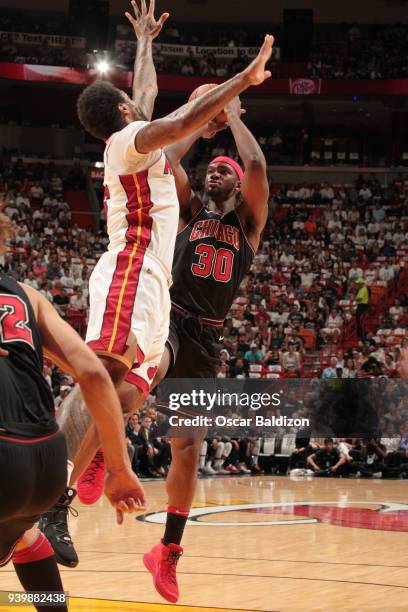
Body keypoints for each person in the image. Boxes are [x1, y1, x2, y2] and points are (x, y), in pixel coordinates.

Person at [40, 0, 274, 569]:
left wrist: (145, 43)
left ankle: (73, 496)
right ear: (125, 111)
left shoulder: (136, 143)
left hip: (157, 292)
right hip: (135, 267)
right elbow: (174, 124)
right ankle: (53, 495)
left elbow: (148, 101)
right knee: (101, 370)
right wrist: (239, 83)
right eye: (134, 105)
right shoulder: (131, 142)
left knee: (119, 383)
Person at [77, 80, 271, 601]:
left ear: (234, 185)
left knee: (188, 449)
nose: (217, 171)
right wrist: (205, 120)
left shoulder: (250, 225)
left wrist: (233, 116)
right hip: (170, 316)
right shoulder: (186, 212)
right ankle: (102, 456)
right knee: (136, 386)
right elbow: (163, 155)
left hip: (207, 338)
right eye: (213, 168)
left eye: (223, 171)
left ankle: (167, 552)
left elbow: (256, 168)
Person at [0, 213, 145, 609]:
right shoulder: (29, 296)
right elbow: (95, 375)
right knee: (24, 534)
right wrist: (118, 467)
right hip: (48, 464)